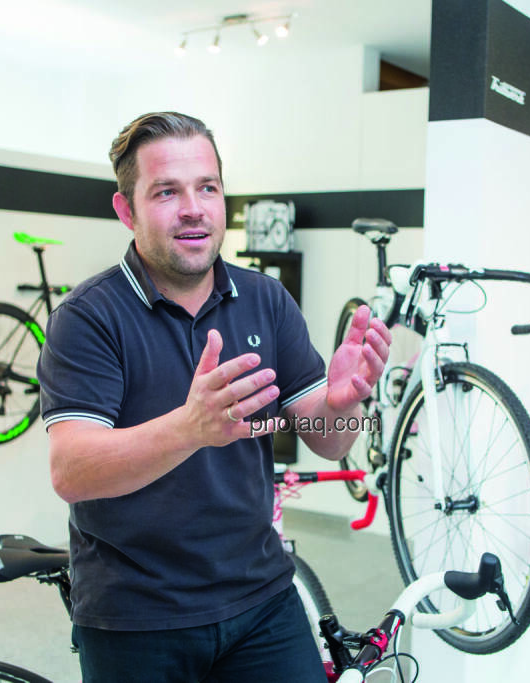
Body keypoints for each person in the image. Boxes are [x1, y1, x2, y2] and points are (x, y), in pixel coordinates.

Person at [37, 111, 392, 683]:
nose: (193, 208)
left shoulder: (266, 299)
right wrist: (189, 428)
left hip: (262, 599)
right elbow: (72, 471)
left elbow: (330, 443)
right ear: (126, 211)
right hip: (137, 616)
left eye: (207, 187)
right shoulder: (88, 318)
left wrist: (345, 401)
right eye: (166, 192)